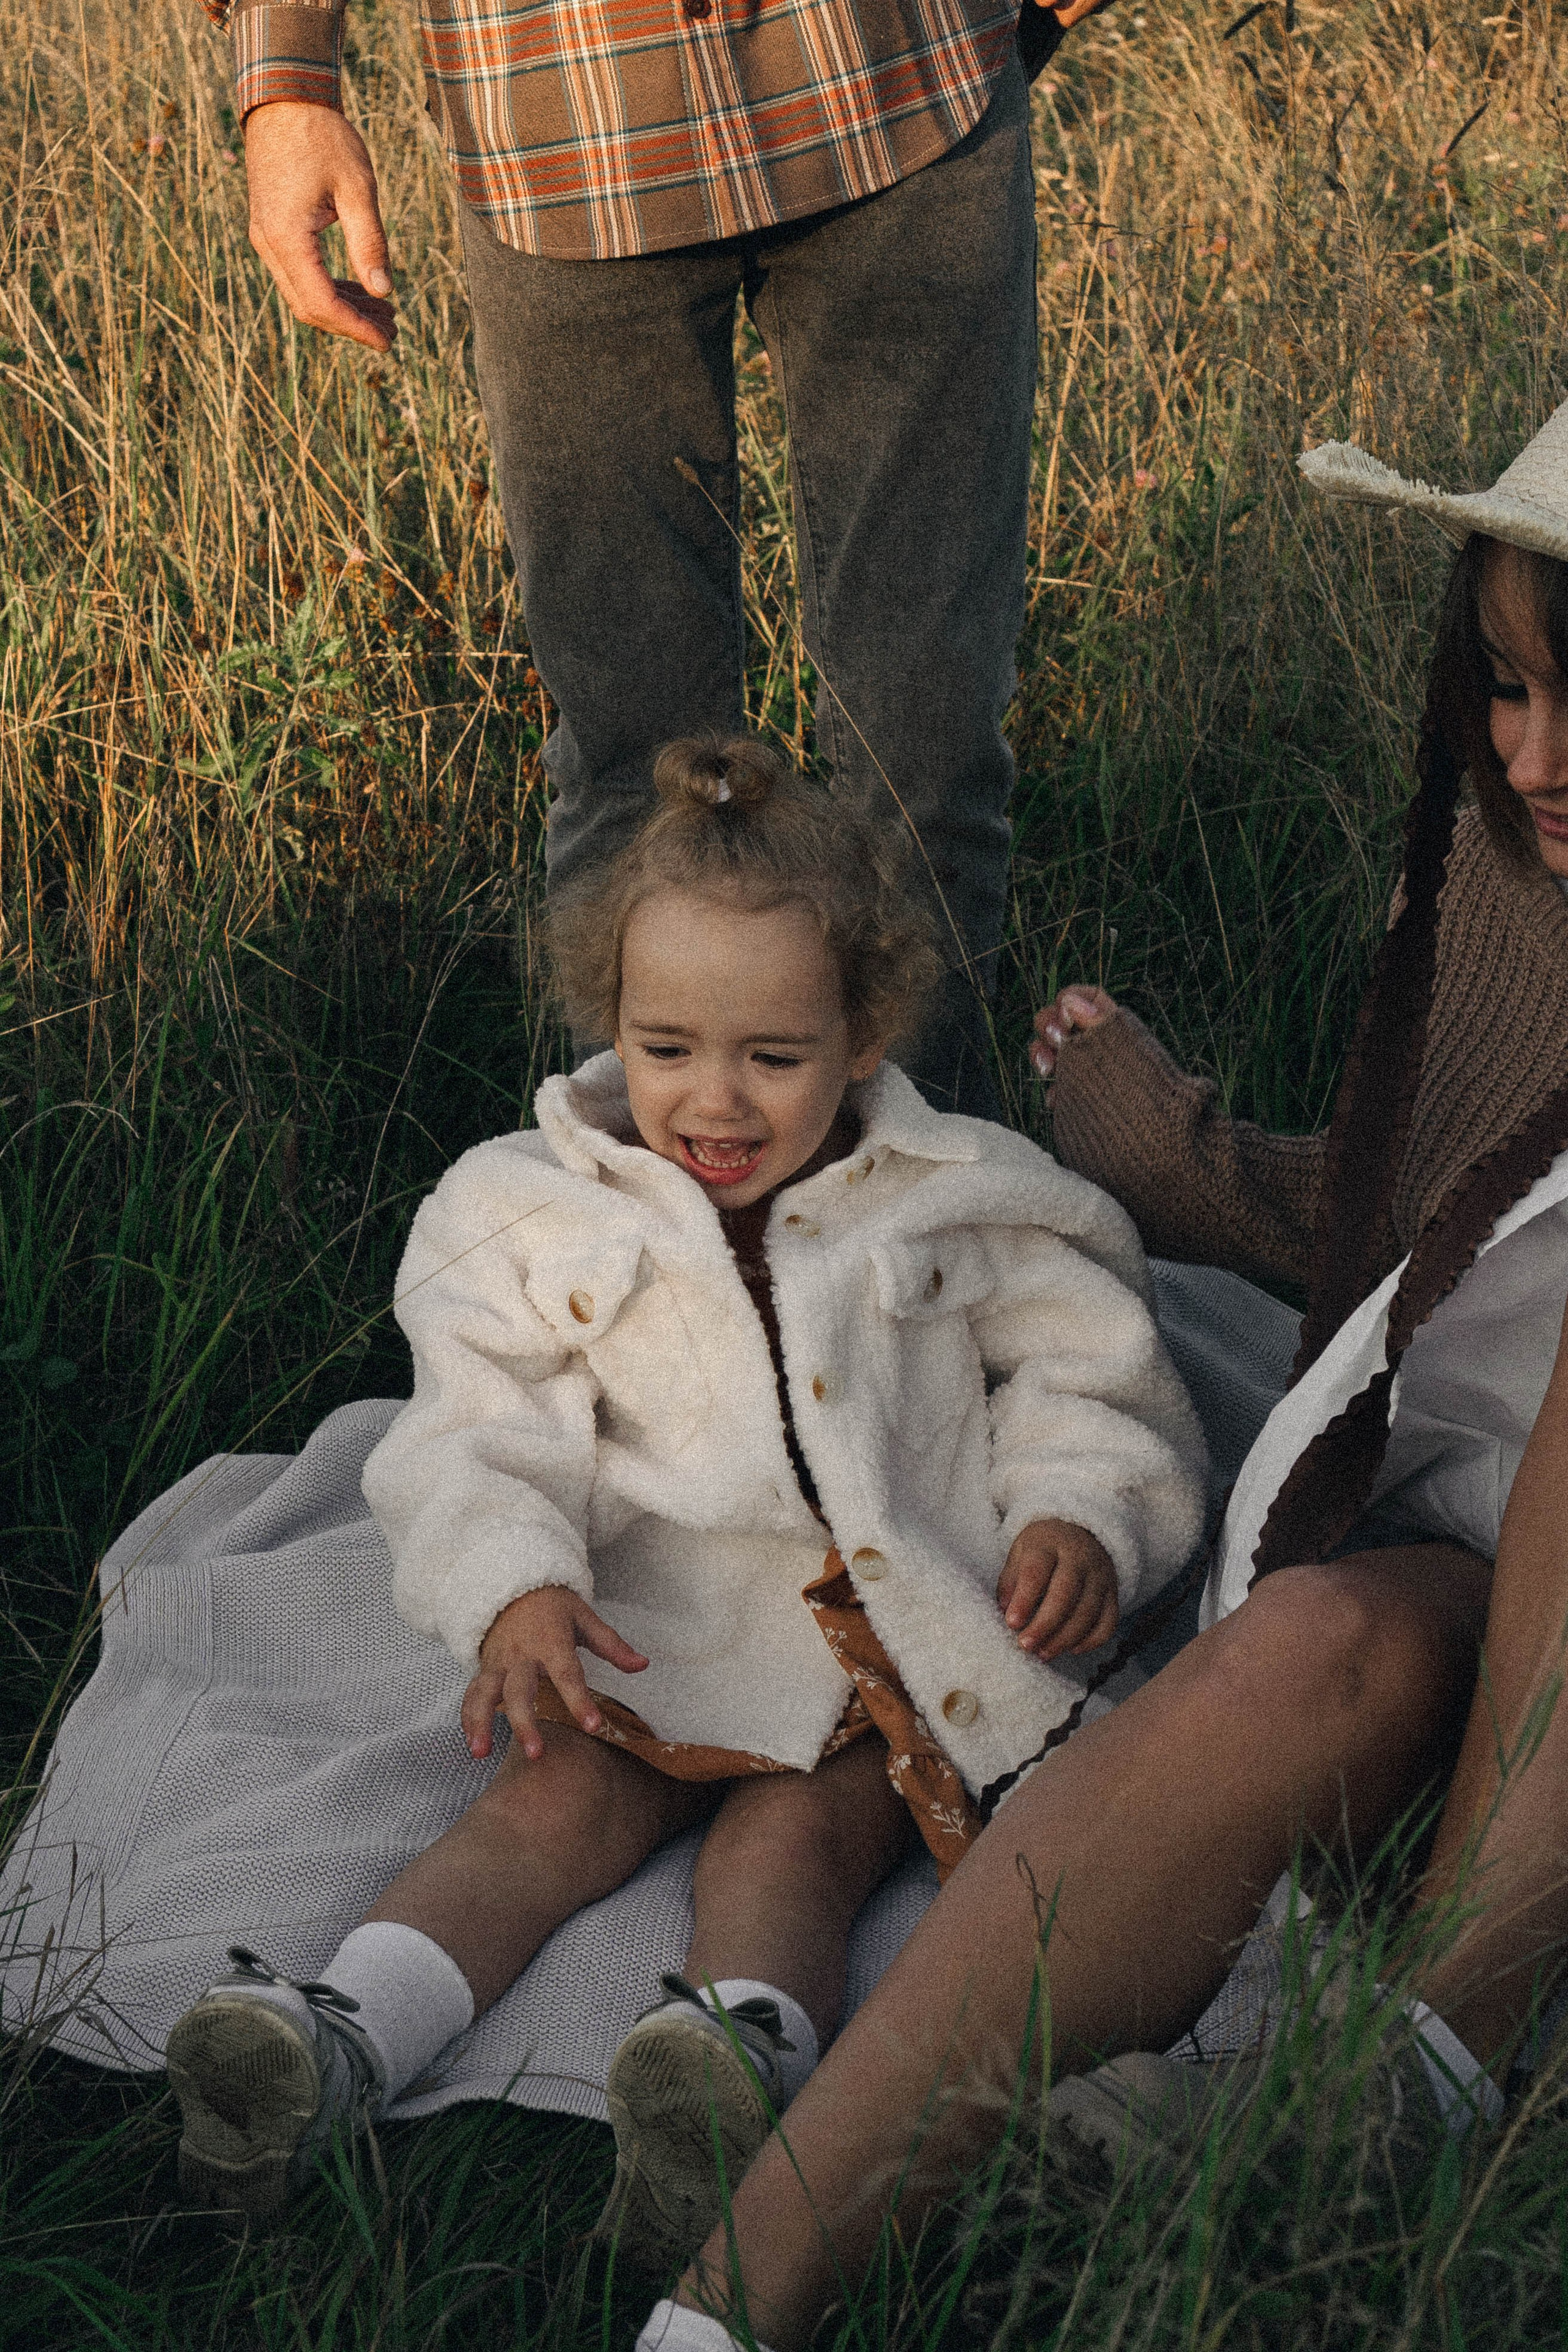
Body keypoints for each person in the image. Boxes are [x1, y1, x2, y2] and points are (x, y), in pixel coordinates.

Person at [628, 407, 1568, 2352]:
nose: (1531, 757)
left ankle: (1427, 2072)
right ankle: (727, 2306)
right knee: (1307, 1648)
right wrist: (1195, 1166)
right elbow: (1451, 1221)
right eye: (1502, 686)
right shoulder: (1511, 879)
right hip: (1473, 1522)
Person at [162, 733, 1205, 2263]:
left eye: (771, 1059)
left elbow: (1088, 1373)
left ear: (860, 1034)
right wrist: (513, 1581)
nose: (711, 1100)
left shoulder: (958, 1193)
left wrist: (1079, 1516)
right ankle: (333, 2038)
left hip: (882, 1648)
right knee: (549, 1809)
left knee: (790, 1846)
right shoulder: (521, 1209)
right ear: (610, 1020)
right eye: (665, 1047)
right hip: (643, 1623)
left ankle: (725, 2070)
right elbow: (473, 1426)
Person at [198, 0, 1103, 1115]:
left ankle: (920, 1234)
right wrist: (289, 85)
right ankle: (633, 1248)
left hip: (899, 76)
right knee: (635, 774)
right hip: (562, 122)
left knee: (928, 747)